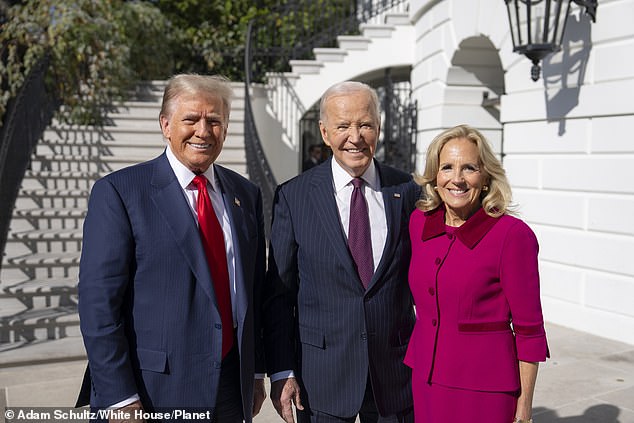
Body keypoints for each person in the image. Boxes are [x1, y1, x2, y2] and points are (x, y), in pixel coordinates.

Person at [77, 74, 267, 422]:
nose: (203, 131)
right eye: (191, 119)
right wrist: (120, 398)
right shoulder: (121, 193)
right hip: (151, 391)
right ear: (165, 125)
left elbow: (252, 292)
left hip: (228, 387)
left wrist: (254, 372)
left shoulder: (245, 195)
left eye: (214, 121)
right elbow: (98, 306)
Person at [263, 81, 419, 423]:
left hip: (395, 377)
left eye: (364, 124)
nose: (356, 136)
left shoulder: (408, 191)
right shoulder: (294, 196)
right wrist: (280, 370)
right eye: (343, 126)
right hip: (320, 381)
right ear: (324, 131)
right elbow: (278, 295)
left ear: (378, 127)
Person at [405, 124, 549, 423]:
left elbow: (529, 329)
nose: (456, 179)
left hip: (484, 389)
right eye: (447, 167)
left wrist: (524, 408)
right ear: (435, 175)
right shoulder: (419, 223)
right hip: (426, 380)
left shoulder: (511, 235)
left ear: (485, 178)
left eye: (469, 168)